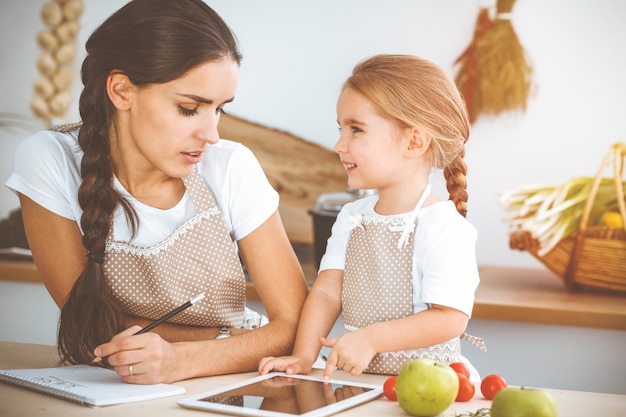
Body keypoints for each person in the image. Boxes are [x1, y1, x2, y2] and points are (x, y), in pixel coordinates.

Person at [5, 0, 308, 384]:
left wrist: (183, 359)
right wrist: (233, 340)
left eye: (219, 110)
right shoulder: (49, 159)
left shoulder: (230, 166)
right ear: (121, 90)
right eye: (188, 108)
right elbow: (88, 325)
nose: (211, 134)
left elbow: (296, 326)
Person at [259, 54, 485, 382]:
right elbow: (325, 293)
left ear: (415, 142)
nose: (339, 145)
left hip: (430, 388)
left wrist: (371, 339)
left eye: (356, 129)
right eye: (341, 129)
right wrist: (303, 355)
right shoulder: (351, 218)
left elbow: (449, 319)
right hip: (363, 383)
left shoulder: (444, 227)